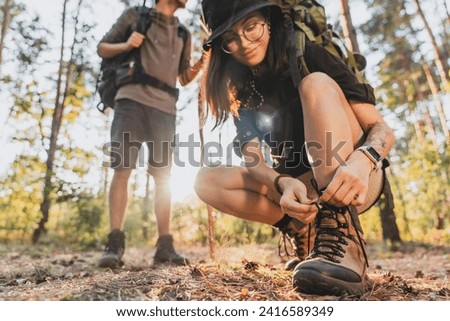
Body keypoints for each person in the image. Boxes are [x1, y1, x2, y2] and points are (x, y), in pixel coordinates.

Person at [195, 0, 394, 295]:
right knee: (206, 180)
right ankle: (305, 232)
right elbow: (252, 156)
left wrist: (363, 161)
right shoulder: (239, 87)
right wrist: (283, 181)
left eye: (250, 27)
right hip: (300, 188)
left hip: (355, 176)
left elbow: (381, 129)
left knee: (314, 84)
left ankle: (345, 239)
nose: (244, 43)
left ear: (268, 21)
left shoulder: (307, 52)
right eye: (230, 39)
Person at [97, 0, 204, 268]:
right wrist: (126, 44)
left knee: (163, 176)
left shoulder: (183, 32)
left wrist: (203, 61)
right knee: (122, 168)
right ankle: (114, 243)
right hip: (130, 100)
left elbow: (183, 77)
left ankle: (164, 247)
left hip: (165, 109)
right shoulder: (135, 15)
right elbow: (102, 48)